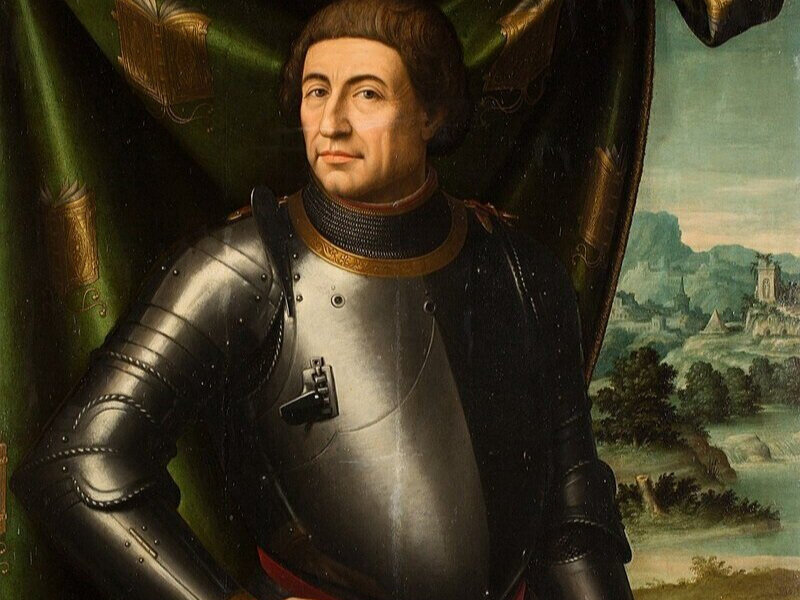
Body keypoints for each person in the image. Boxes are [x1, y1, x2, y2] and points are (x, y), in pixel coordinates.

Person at [12, 1, 633, 598]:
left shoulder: (520, 269)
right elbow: (77, 462)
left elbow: (574, 519)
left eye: (367, 94)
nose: (331, 122)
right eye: (316, 92)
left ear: (431, 114)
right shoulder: (240, 268)